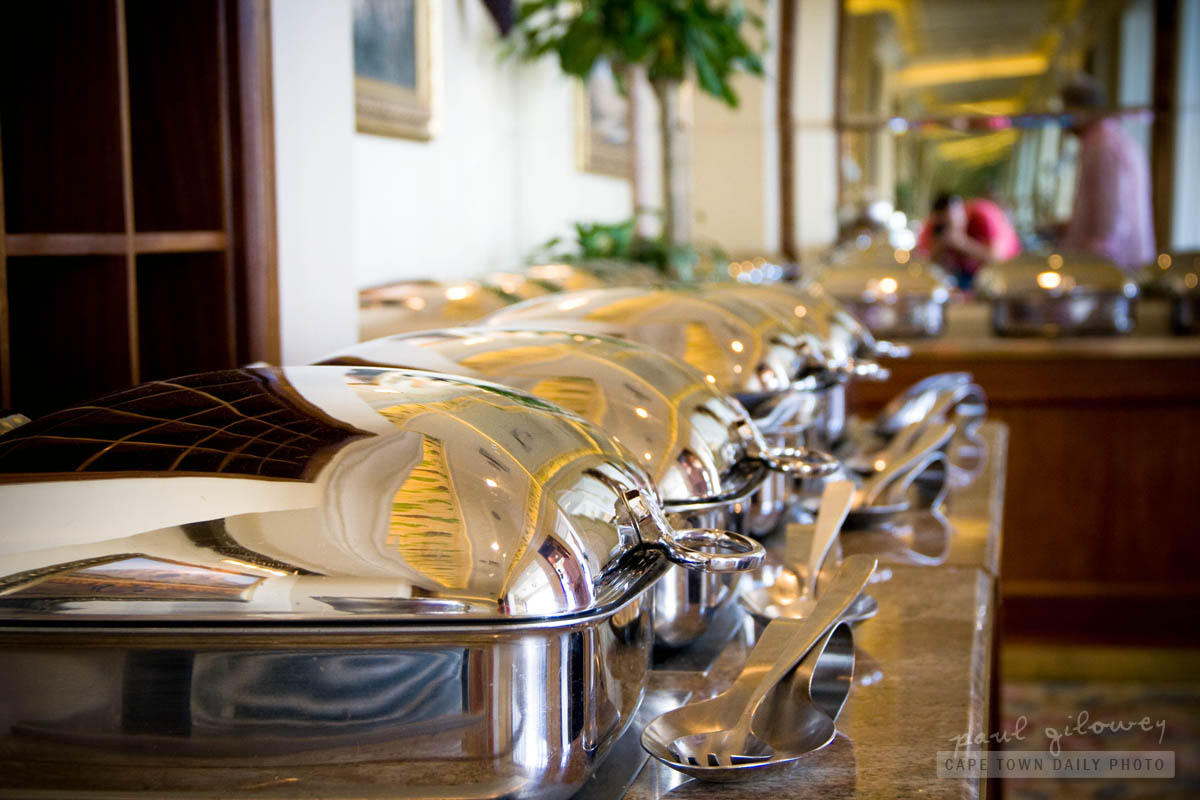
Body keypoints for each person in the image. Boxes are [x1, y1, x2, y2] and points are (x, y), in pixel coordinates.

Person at [1059, 74, 1155, 270]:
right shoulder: (1107, 141)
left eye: (1065, 110)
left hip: (1112, 268)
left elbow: (1112, 219)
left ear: (1079, 110)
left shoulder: (1103, 147)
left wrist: (1092, 268)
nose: (1063, 119)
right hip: (1112, 265)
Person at [916, 193, 1021, 288]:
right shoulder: (932, 226)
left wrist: (961, 243)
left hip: (1008, 269)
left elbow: (997, 258)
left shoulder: (983, 215)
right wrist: (939, 245)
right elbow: (926, 264)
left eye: (952, 222)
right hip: (965, 277)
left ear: (961, 212)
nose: (950, 229)